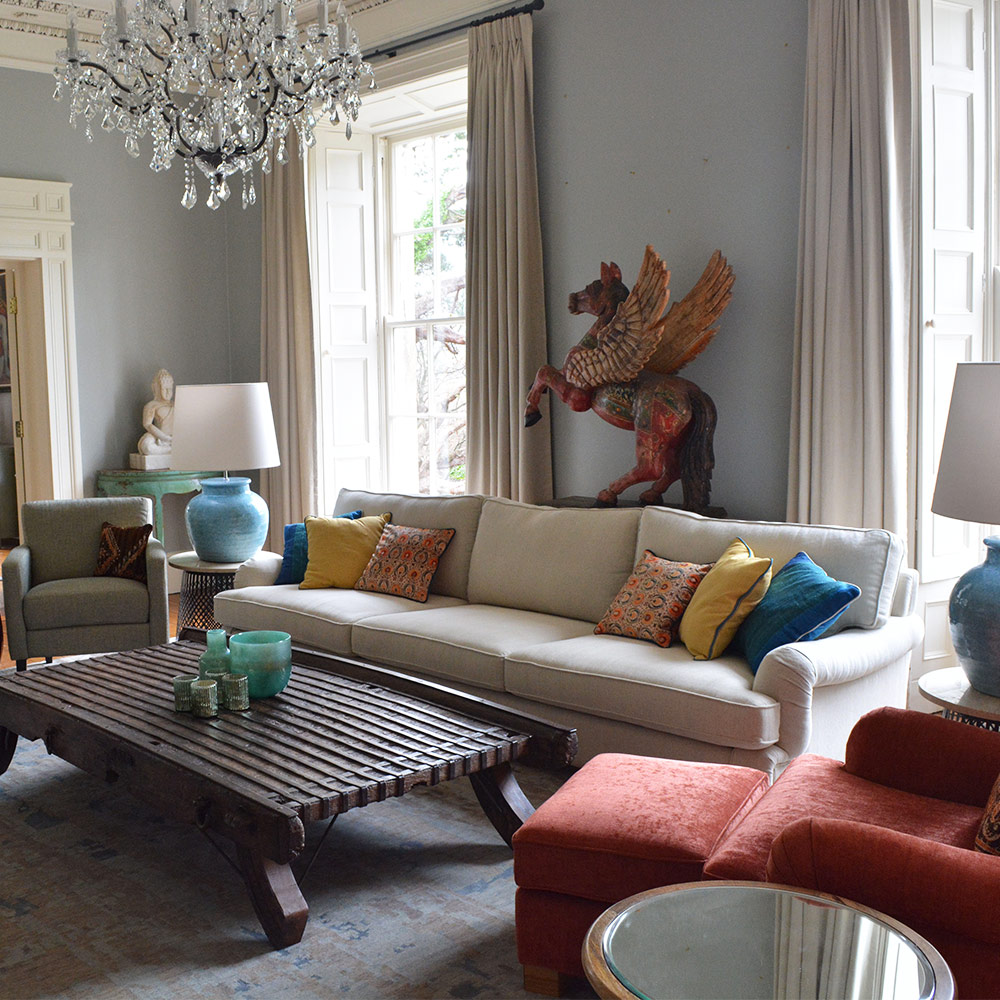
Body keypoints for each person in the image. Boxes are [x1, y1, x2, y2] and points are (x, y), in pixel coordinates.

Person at [137, 368, 174, 456]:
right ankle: (170, 450)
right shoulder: (151, 405)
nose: (168, 392)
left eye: (170, 389)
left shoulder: (176, 404)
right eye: (164, 389)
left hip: (174, 437)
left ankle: (172, 449)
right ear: (157, 389)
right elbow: (147, 424)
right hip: (157, 436)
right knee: (146, 445)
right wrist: (164, 437)